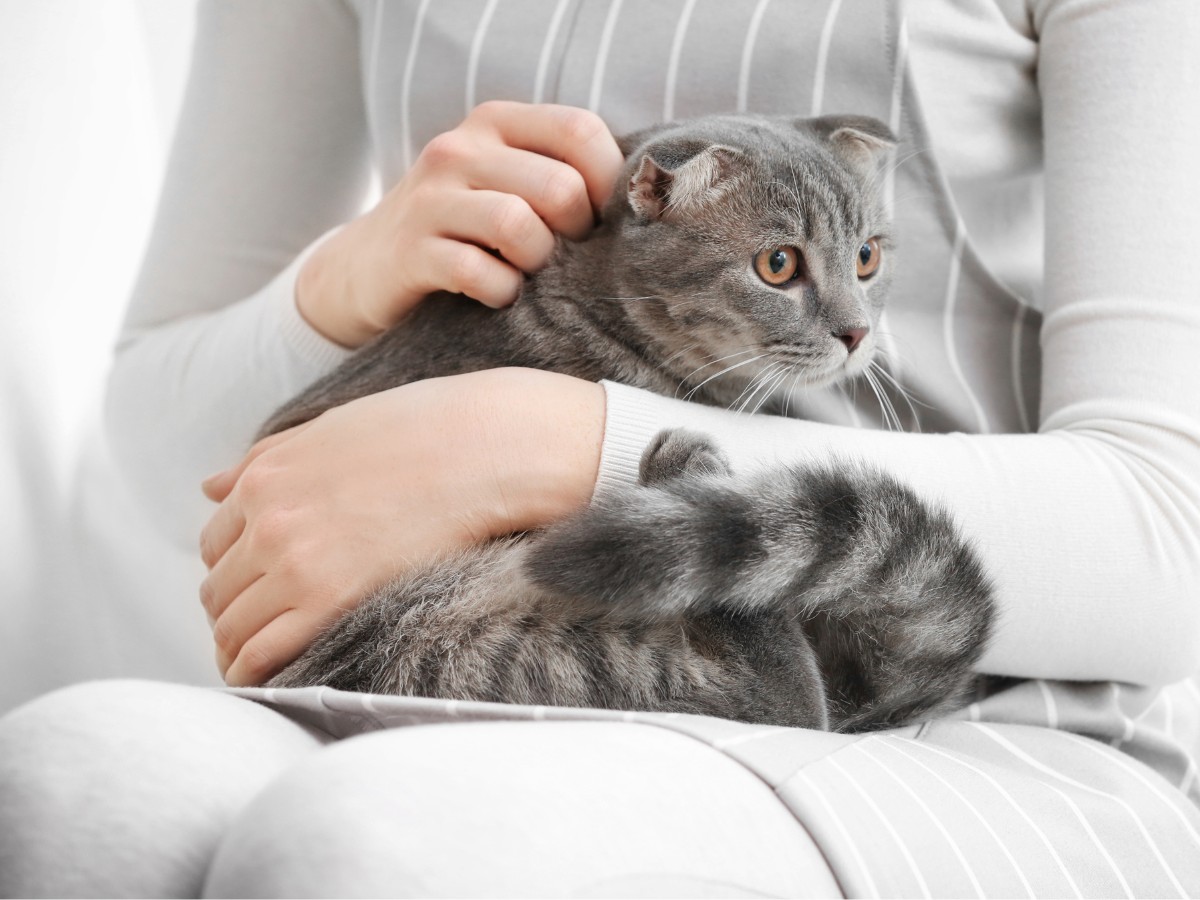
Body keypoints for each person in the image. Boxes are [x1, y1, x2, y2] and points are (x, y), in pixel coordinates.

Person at [2, 0, 1199, 895]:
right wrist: (339, 285)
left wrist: (574, 446)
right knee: (69, 776)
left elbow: (1173, 534)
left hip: (965, 718)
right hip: (478, 648)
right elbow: (154, 467)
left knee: (372, 847)